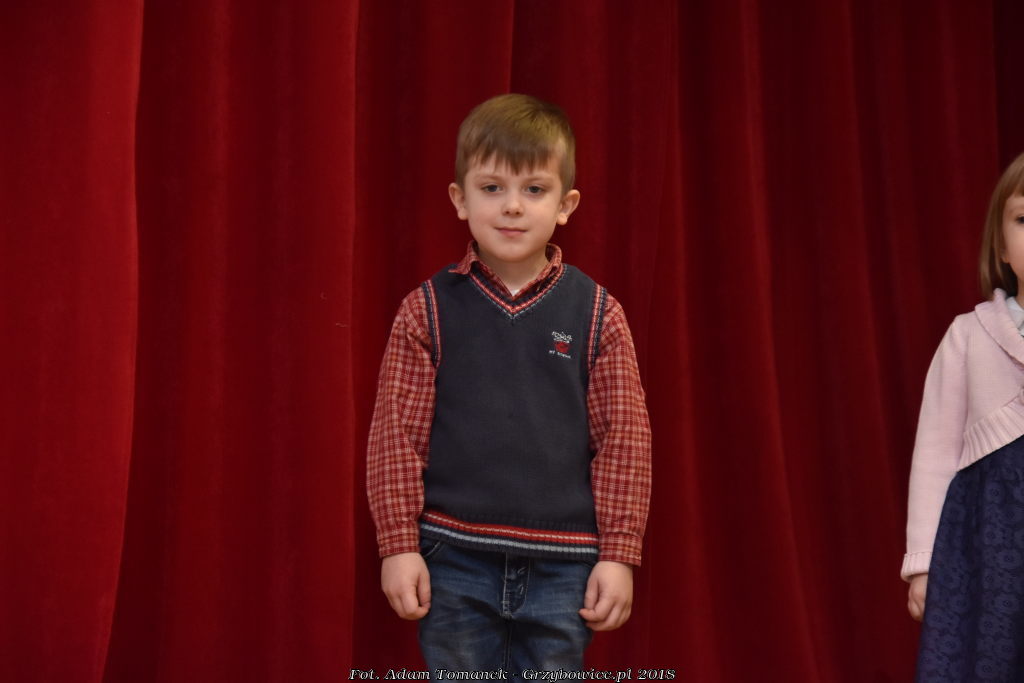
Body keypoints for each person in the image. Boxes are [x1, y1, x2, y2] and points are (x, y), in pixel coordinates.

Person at [365, 93, 652, 673]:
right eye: (492, 187)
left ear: (566, 205)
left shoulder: (599, 314)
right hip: (453, 557)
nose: (513, 206)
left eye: (534, 189)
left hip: (564, 566)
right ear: (460, 199)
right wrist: (398, 545)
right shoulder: (426, 310)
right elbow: (396, 437)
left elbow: (624, 441)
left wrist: (618, 554)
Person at [904, 152, 1024, 681]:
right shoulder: (968, 336)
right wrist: (923, 564)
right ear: (1001, 245)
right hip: (985, 547)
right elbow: (934, 454)